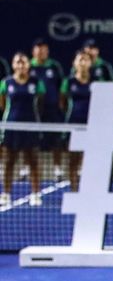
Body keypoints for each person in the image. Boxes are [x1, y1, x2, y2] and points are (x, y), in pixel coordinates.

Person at [1, 53, 43, 206]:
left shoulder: (36, 82)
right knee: (9, 162)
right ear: (13, 65)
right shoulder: (6, 83)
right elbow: (2, 104)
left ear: (28, 65)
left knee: (33, 161)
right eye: (17, 62)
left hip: (30, 127)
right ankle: (5, 194)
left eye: (23, 62)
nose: (20, 65)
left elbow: (40, 102)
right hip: (11, 127)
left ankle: (36, 193)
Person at [29, 38, 66, 181]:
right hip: (33, 110)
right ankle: (27, 168)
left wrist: (59, 105)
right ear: (33, 52)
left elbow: (61, 87)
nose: (41, 52)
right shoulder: (28, 66)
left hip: (52, 108)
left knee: (56, 140)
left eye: (43, 49)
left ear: (47, 51)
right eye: (38, 49)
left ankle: (57, 169)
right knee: (31, 141)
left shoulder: (54, 66)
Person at [60, 51, 93, 190]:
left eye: (85, 60)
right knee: (73, 158)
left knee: (91, 158)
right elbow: (62, 101)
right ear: (75, 63)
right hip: (73, 123)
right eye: (80, 60)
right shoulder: (69, 82)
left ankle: (90, 188)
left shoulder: (95, 82)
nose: (83, 63)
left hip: (92, 125)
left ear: (90, 63)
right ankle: (74, 188)